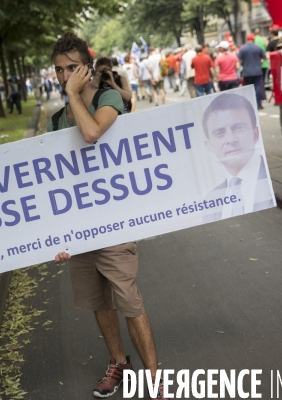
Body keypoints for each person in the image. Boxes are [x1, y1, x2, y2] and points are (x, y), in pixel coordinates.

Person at [48, 32, 170, 400]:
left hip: (114, 223)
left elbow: (92, 133)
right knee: (98, 303)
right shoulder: (56, 120)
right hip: (80, 228)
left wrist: (73, 94)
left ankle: (153, 376)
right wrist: (59, 236)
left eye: (72, 68)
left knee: (129, 300)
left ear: (86, 67)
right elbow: (55, 183)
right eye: (59, 70)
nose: (65, 75)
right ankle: (119, 363)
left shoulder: (108, 98)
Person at [202, 93, 275, 223]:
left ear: (255, 134)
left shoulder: (274, 179)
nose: (231, 140)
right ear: (210, 146)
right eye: (219, 133)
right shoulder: (210, 200)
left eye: (239, 128)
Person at [238, 34, 266, 109]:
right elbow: (264, 56)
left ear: (247, 39)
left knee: (249, 89)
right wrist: (261, 61)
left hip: (247, 72)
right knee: (258, 87)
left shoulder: (243, 49)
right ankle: (258, 103)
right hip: (257, 71)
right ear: (253, 39)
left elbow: (238, 59)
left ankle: (251, 104)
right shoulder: (258, 48)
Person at [253, 28, 269, 101]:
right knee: (263, 80)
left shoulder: (254, 40)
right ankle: (264, 95)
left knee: (258, 82)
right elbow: (267, 47)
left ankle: (261, 96)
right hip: (265, 63)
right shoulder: (264, 39)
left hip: (257, 64)